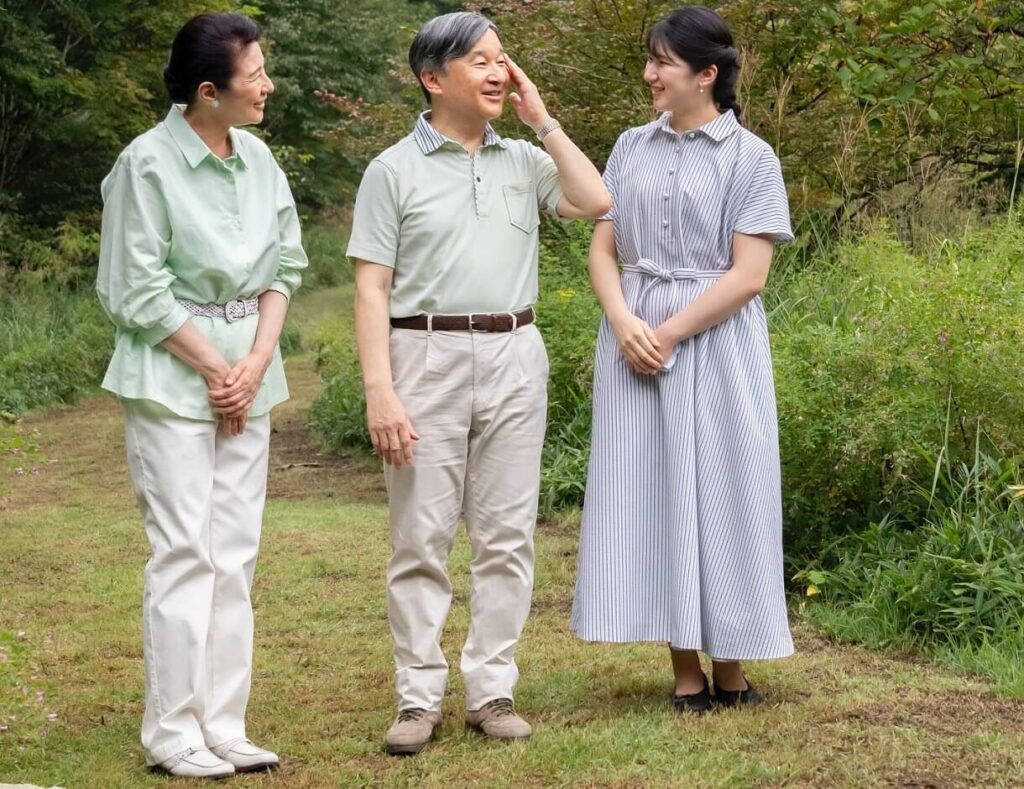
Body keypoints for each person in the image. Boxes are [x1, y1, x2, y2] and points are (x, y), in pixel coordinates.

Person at [348, 11, 610, 755]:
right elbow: (371, 288)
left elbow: (596, 201)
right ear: (434, 79)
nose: (499, 72)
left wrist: (544, 120)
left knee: (505, 536)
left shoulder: (525, 164)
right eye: (482, 61)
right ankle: (417, 697)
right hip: (421, 354)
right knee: (421, 537)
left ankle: (492, 687)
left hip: (514, 352)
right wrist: (380, 389)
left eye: (504, 59)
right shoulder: (391, 170)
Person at [95, 12, 306, 778]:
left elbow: (286, 266)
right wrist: (216, 370)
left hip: (250, 368)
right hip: (172, 378)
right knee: (185, 551)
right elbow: (134, 290)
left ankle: (225, 723)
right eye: (256, 76)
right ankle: (173, 731)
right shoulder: (145, 165)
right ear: (210, 91)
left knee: (235, 556)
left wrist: (251, 361)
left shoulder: (258, 160)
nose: (268, 87)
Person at [570, 5, 795, 714]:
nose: (648, 74)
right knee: (654, 489)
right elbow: (604, 248)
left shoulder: (750, 157)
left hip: (715, 343)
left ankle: (730, 665)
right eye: (649, 60)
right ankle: (685, 670)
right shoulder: (630, 146)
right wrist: (624, 320)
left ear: (706, 73)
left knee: (723, 490)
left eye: (661, 62)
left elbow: (749, 274)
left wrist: (667, 334)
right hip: (633, 335)